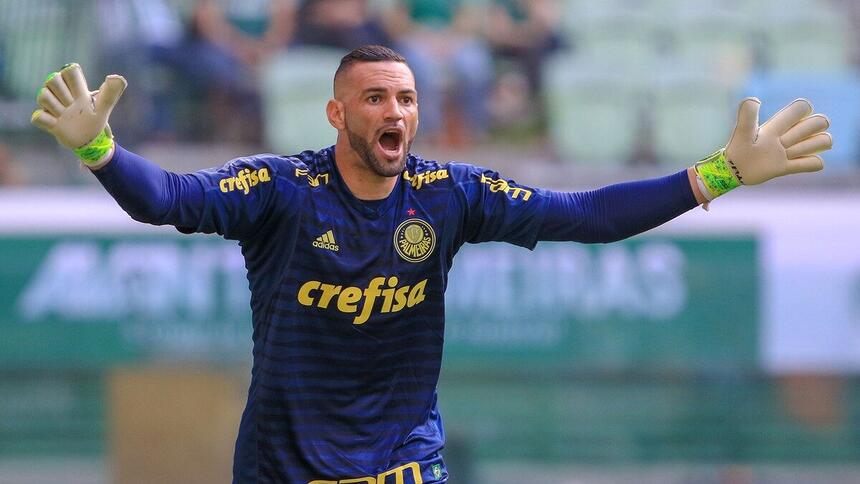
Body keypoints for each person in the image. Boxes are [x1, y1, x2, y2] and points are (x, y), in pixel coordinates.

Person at [31, 45, 831, 483]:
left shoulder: (447, 194)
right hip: (283, 467)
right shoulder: (280, 189)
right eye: (376, 98)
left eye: (407, 99)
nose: (397, 112)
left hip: (403, 466)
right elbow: (166, 198)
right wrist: (100, 150)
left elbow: (585, 216)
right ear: (338, 113)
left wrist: (716, 175)